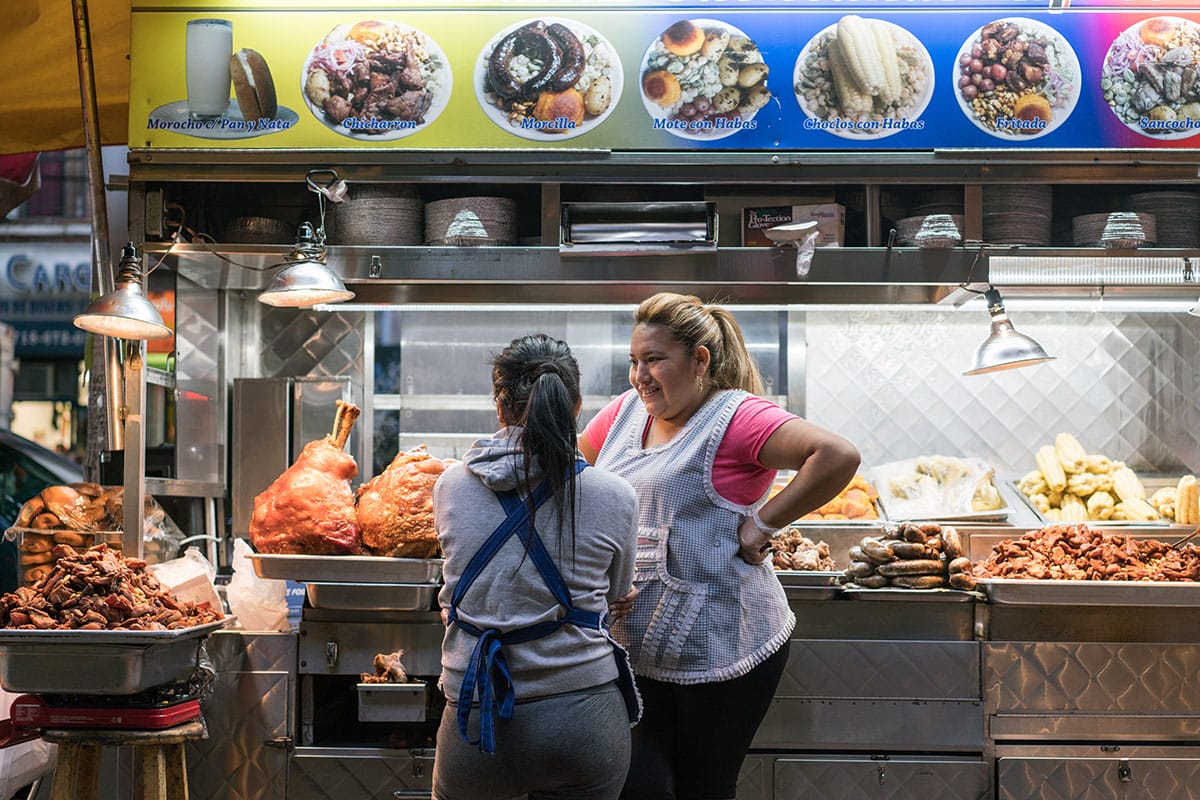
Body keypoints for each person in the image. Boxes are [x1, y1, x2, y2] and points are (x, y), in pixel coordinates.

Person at [579, 292, 861, 800]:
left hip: (723, 648)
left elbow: (837, 454)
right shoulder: (624, 413)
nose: (639, 375)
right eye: (633, 361)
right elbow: (573, 473)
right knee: (636, 786)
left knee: (702, 789)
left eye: (655, 360)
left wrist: (760, 525)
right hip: (631, 649)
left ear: (700, 360)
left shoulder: (735, 417)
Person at [433, 333, 642, 800]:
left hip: (476, 718)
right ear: (576, 406)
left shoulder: (449, 485)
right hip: (582, 719)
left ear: (499, 405)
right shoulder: (616, 495)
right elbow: (616, 594)